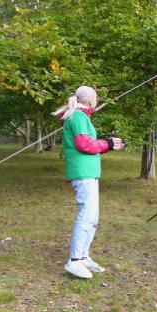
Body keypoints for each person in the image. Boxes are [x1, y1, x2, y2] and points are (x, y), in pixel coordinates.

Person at [54, 86, 125, 279]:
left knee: (92, 217)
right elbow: (84, 144)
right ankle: (74, 260)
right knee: (86, 215)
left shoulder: (81, 116)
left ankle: (83, 256)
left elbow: (88, 143)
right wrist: (107, 144)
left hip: (89, 172)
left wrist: (108, 145)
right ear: (91, 100)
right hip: (82, 172)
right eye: (96, 97)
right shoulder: (77, 116)